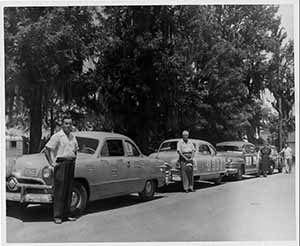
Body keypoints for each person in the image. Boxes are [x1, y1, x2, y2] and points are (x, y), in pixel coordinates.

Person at [44, 114, 79, 224]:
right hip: (61, 165)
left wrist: (74, 159)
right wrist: (52, 163)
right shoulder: (57, 136)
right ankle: (57, 216)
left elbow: (75, 150)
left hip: (71, 164)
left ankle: (67, 214)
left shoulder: (73, 137)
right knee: (60, 191)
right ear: (62, 125)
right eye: (66, 123)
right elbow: (47, 149)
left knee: (69, 190)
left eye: (70, 124)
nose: (68, 126)